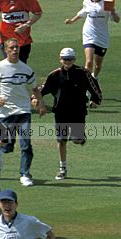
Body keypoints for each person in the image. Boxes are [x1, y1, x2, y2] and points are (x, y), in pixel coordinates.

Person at [39, 47, 101, 182]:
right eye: (65, 59)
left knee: (76, 140)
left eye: (70, 59)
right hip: (61, 112)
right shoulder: (54, 75)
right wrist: (36, 99)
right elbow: (42, 90)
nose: (67, 62)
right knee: (61, 140)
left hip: (78, 111)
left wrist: (96, 100)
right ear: (60, 60)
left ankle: (80, 137)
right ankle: (62, 168)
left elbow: (94, 86)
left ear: (74, 60)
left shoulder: (82, 73)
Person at [0, 39, 42, 186]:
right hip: (5, 113)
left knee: (26, 144)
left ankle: (25, 174)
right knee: (5, 145)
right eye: (12, 48)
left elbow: (35, 88)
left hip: (23, 111)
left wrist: (40, 104)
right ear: (6, 50)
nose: (15, 50)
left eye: (17, 47)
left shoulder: (25, 69)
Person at [63, 0, 119, 77]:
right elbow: (83, 12)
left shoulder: (106, 3)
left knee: (97, 66)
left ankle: (94, 77)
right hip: (89, 34)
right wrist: (72, 21)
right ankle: (87, 81)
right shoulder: (87, 2)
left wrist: (113, 11)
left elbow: (117, 20)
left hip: (102, 36)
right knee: (89, 62)